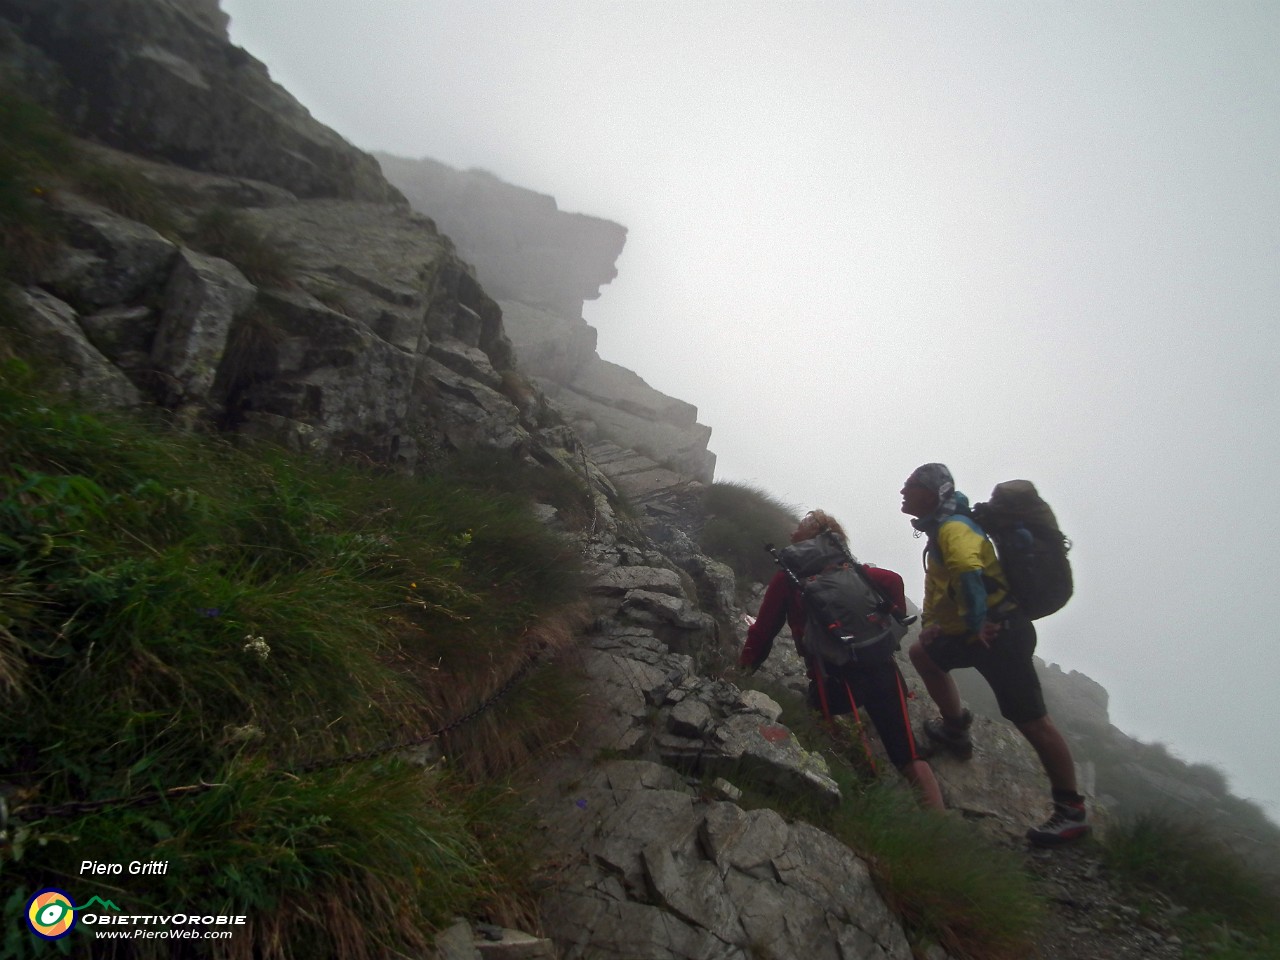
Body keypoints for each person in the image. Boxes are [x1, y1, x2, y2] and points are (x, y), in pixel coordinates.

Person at [899, 463, 1090, 846]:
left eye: (912, 485)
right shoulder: (942, 528)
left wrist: (974, 622)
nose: (903, 490)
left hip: (999, 634)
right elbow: (942, 583)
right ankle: (955, 729)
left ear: (933, 493)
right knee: (924, 653)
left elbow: (969, 572)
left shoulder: (953, 528)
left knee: (1033, 722)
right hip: (978, 632)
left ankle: (1071, 812)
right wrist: (935, 622)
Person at [738, 509, 945, 811]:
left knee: (824, 740)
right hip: (880, 666)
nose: (791, 532)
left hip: (833, 678)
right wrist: (887, 621)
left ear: (806, 539)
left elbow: (764, 631)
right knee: (908, 755)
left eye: (798, 528)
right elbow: (893, 580)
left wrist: (743, 669)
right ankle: (938, 833)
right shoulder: (852, 569)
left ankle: (855, 802)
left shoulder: (789, 579)